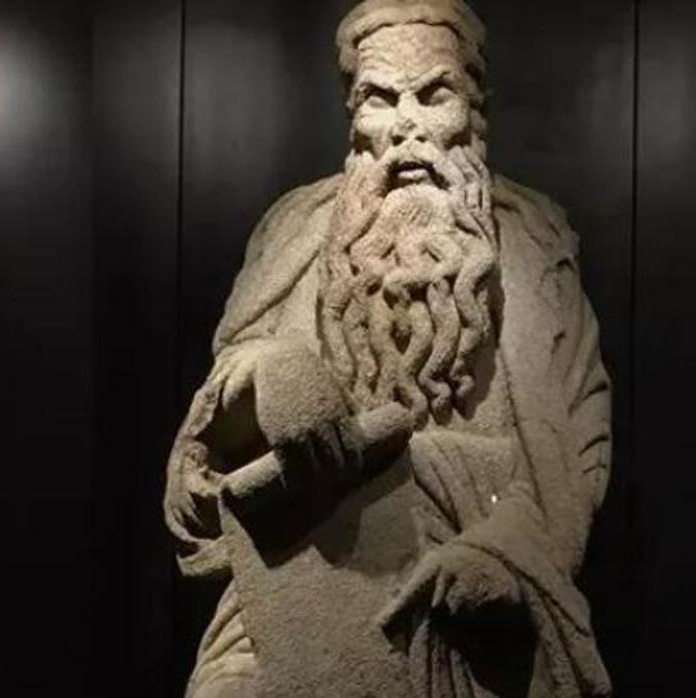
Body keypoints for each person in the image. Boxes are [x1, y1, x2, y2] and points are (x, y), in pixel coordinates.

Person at [164, 2, 613, 695]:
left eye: (433, 95)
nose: (407, 125)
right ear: (353, 114)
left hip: (474, 599)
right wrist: (265, 375)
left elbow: (575, 451)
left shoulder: (533, 238)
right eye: (380, 98)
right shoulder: (294, 232)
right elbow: (206, 453)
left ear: (474, 109)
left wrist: (503, 556)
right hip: (297, 594)